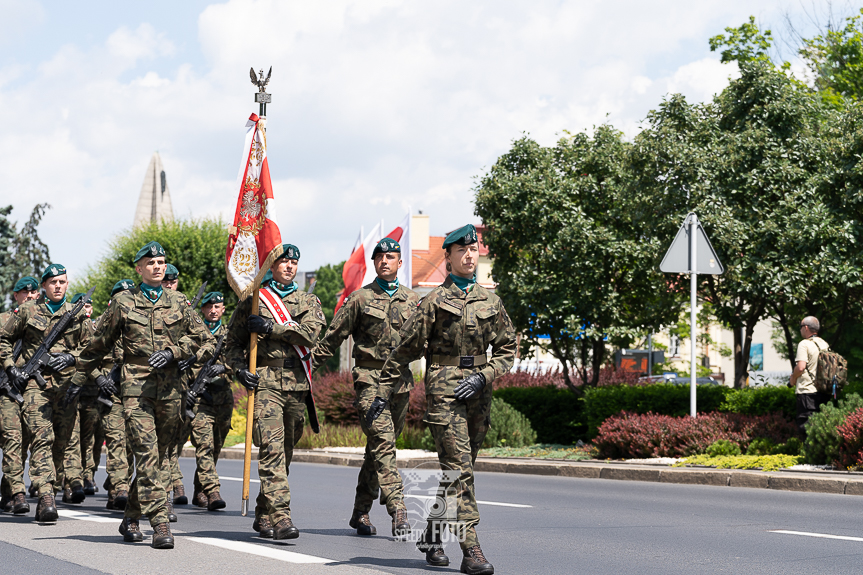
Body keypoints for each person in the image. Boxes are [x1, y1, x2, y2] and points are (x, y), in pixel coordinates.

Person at [378, 224, 515, 575]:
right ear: (449, 257)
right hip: (445, 391)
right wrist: (380, 393)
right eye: (462, 251)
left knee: (458, 472)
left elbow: (507, 349)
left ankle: (432, 535)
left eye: (474, 251)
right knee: (459, 471)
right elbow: (402, 350)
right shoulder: (434, 302)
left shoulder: (491, 302)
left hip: (479, 392)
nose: (470, 256)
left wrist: (484, 376)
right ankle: (472, 549)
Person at [70, 242, 214, 549]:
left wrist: (176, 351)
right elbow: (97, 345)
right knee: (148, 456)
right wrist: (76, 381)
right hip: (136, 390)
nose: (158, 266)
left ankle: (130, 517)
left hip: (171, 391)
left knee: (159, 459)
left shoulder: (179, 302)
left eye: (162, 262)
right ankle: (160, 523)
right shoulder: (123, 302)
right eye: (151, 262)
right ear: (139, 268)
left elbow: (206, 341)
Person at [313, 237, 417, 537]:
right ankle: (398, 509)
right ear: (374, 263)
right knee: (385, 445)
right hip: (370, 382)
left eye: (391, 256)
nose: (385, 261)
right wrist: (305, 368)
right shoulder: (359, 299)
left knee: (378, 450)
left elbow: (425, 342)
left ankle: (360, 512)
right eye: (380, 257)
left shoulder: (413, 301)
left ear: (400, 262)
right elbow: (333, 338)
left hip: (400, 385)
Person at [225, 243, 326, 541]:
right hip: (265, 382)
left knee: (285, 453)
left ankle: (263, 511)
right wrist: (239, 370)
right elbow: (231, 344)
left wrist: (272, 327)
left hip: (297, 383)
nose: (289, 266)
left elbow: (310, 335)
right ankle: (281, 516)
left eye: (294, 262)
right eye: (283, 261)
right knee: (271, 450)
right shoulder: (253, 300)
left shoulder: (308, 299)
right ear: (271, 265)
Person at [1, 264, 93, 522]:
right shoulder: (29, 311)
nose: (58, 286)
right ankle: (45, 496)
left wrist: (71, 357)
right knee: (42, 437)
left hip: (66, 387)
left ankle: (46, 485)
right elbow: (3, 338)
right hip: (34, 386)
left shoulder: (76, 314)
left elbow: (93, 348)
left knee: (61, 444)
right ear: (44, 286)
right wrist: (11, 368)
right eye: (52, 281)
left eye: (62, 281)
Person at [0, 276, 41, 514]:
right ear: (16, 296)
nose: (28, 296)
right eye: (23, 293)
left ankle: (7, 490)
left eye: (32, 293)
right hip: (7, 388)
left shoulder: (43, 321)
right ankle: (18, 493)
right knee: (12, 439)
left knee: (24, 441)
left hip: (32, 388)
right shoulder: (4, 319)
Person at [189, 291, 232, 511]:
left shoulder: (231, 334)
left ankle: (200, 489)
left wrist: (225, 367)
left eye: (217, 306)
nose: (213, 310)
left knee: (215, 447)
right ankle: (213, 490)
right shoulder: (195, 332)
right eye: (209, 307)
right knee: (203, 445)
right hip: (200, 398)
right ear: (203, 310)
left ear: (223, 309)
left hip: (223, 397)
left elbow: (241, 360)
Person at [100, 280, 137, 511]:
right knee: (116, 441)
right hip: (111, 392)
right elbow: (86, 352)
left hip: (135, 391)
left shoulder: (139, 323)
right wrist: (99, 377)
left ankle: (116, 487)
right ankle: (121, 488)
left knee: (132, 444)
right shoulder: (104, 324)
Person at [161, 263, 189, 508]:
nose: (169, 284)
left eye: (173, 281)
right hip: (142, 388)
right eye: (165, 281)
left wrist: (180, 354)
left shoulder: (182, 304)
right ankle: (165, 496)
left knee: (170, 442)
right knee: (155, 447)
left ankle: (169, 488)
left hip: (176, 387)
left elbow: (202, 340)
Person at [789, 316, 831, 434]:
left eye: (801, 327)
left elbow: (801, 367)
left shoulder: (804, 344)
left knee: (806, 429)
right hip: (823, 392)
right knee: (821, 430)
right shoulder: (824, 344)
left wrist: (793, 378)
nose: (800, 330)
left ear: (806, 327)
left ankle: (808, 453)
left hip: (807, 393)